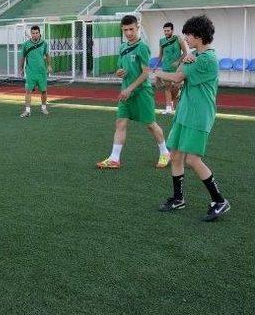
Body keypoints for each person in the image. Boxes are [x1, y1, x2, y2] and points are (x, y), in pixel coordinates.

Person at [155, 16, 229, 221]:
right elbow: (179, 77)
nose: (185, 38)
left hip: (199, 115)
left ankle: (219, 201)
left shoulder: (207, 59)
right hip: (184, 113)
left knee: (193, 159)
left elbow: (177, 78)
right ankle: (178, 199)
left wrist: (158, 72)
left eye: (188, 34)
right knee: (176, 155)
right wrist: (183, 61)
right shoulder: (195, 55)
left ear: (199, 35)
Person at [97, 15, 170, 169]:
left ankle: (165, 153)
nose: (129, 33)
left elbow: (145, 73)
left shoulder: (142, 47)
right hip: (126, 92)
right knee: (120, 122)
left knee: (151, 125)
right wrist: (118, 72)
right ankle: (114, 158)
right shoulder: (122, 47)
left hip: (142, 92)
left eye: (131, 29)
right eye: (125, 30)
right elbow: (120, 67)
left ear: (137, 27)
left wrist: (129, 89)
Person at [18, 25, 52, 117]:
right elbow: (23, 57)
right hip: (30, 72)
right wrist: (21, 69)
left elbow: (47, 55)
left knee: (43, 91)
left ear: (39, 33)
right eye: (33, 33)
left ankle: (44, 108)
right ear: (31, 34)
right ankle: (27, 111)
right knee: (28, 91)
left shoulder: (44, 43)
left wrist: (49, 66)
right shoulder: (25, 44)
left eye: (37, 33)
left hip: (42, 72)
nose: (35, 35)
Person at [156, 22, 188, 114]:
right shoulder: (161, 41)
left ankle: (173, 101)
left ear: (172, 30)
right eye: (165, 31)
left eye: (168, 30)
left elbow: (185, 53)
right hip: (166, 67)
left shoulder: (178, 39)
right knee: (167, 87)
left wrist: (178, 61)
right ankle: (168, 108)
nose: (166, 32)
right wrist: (155, 66)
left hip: (177, 68)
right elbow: (160, 55)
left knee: (176, 87)